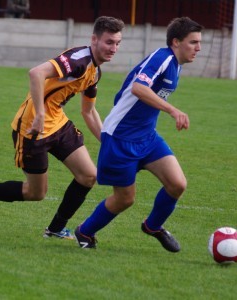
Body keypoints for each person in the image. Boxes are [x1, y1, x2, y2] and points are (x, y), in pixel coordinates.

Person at [0, 16, 125, 240]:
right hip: (32, 129)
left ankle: (55, 229)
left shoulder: (94, 71)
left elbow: (89, 112)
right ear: (94, 39)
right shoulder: (78, 60)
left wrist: (109, 142)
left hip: (58, 124)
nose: (113, 48)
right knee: (35, 193)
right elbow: (36, 73)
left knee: (88, 176)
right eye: (109, 42)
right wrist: (40, 114)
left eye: (117, 43)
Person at [75, 17, 203, 251]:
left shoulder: (176, 65)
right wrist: (173, 110)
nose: (199, 48)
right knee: (125, 199)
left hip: (147, 137)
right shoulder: (162, 57)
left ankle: (153, 226)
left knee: (177, 184)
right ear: (176, 42)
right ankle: (84, 232)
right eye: (193, 42)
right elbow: (138, 88)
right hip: (121, 138)